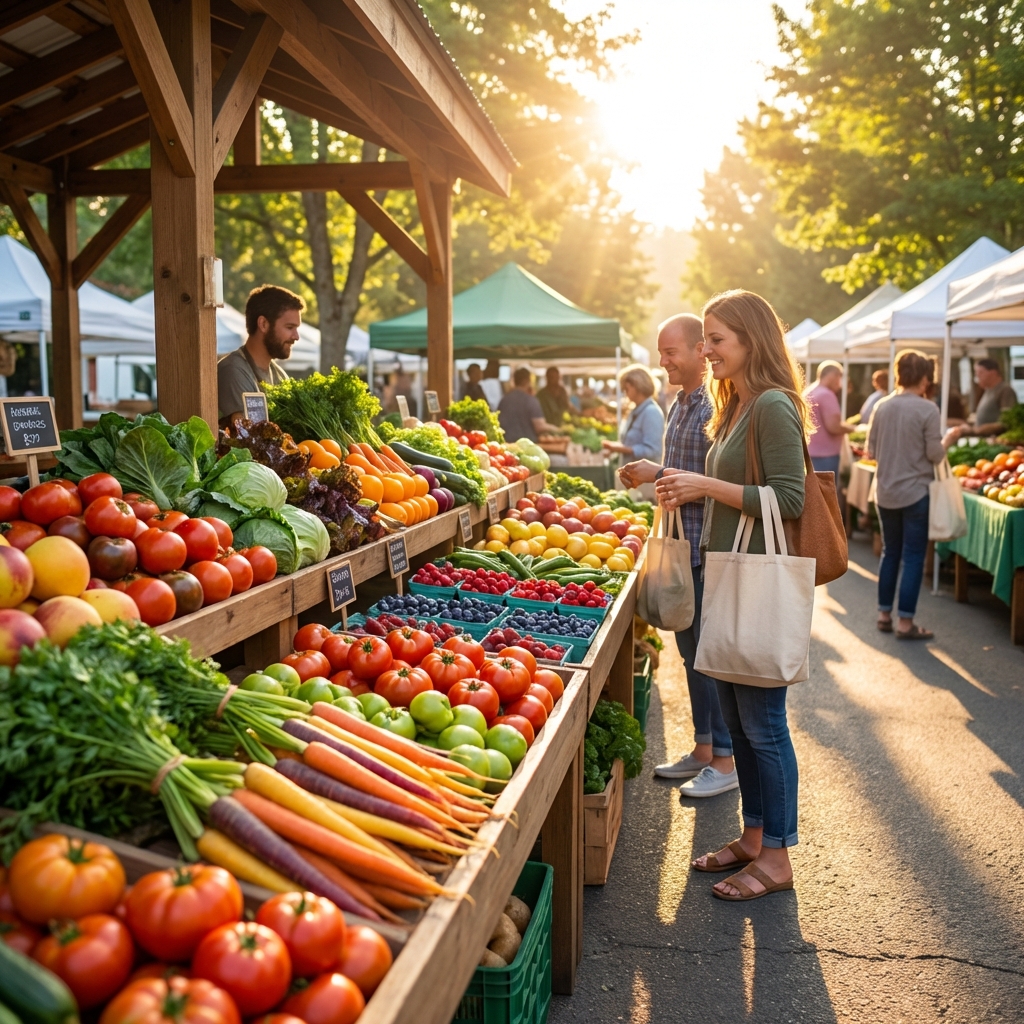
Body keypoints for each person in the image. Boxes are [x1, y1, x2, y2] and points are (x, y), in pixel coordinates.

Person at [655, 290, 808, 901]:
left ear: (751, 339)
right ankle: (753, 835)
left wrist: (705, 486)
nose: (707, 349)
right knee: (740, 728)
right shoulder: (737, 402)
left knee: (764, 725)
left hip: (753, 583)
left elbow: (790, 500)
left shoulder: (772, 404)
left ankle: (777, 857)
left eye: (717, 339)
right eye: (708, 340)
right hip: (725, 577)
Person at [620, 315, 737, 797]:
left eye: (671, 353)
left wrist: (655, 471)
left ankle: (726, 764)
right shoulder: (680, 403)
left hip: (708, 547)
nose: (663, 361)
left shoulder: (714, 403)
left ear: (697, 352)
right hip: (681, 543)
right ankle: (704, 749)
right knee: (690, 656)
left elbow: (717, 480)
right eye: (661, 352)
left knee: (710, 658)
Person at [868, 350, 958, 640]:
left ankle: (884, 614)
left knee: (890, 551)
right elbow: (935, 454)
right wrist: (950, 439)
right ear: (923, 378)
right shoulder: (927, 409)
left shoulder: (882, 406)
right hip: (916, 492)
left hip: (885, 492)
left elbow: (870, 451)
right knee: (913, 556)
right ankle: (905, 623)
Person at [217, 285, 304, 423]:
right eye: (290, 327)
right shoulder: (233, 371)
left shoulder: (279, 375)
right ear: (263, 324)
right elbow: (248, 436)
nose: (296, 336)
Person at [602, 365, 665, 462]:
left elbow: (653, 451)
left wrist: (622, 449)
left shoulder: (651, 412)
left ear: (638, 386)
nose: (625, 393)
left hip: (644, 476)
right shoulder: (635, 411)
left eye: (627, 389)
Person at [804, 360, 855, 479]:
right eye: (839, 377)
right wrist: (853, 429)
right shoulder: (826, 394)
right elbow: (834, 427)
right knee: (827, 495)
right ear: (834, 375)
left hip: (810, 452)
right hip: (826, 456)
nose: (840, 383)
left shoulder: (809, 392)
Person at [498, 367, 563, 442]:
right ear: (527, 381)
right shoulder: (530, 400)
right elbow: (540, 426)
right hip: (527, 447)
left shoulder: (504, 400)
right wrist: (557, 429)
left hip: (507, 446)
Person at [959, 358, 1018, 437]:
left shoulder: (1005, 390)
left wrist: (982, 429)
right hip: (984, 439)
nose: (977, 376)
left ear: (993, 373)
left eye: (980, 372)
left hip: (996, 440)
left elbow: (1008, 421)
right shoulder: (988, 390)